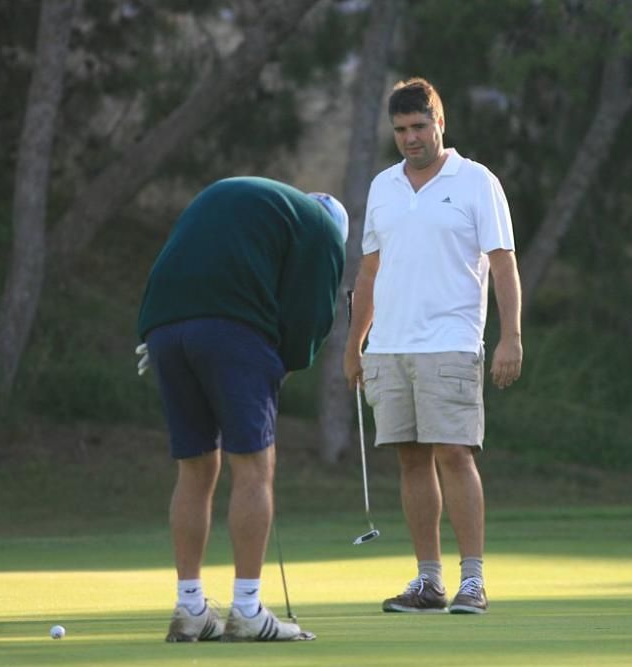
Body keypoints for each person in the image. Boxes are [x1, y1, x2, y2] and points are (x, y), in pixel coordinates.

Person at [135, 177, 348, 642]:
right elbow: (311, 320)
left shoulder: (259, 210)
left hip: (163, 325)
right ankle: (248, 610)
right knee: (254, 466)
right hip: (230, 327)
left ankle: (190, 608)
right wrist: (284, 365)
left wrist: (163, 333)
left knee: (195, 467)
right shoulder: (325, 229)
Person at [343, 77, 523, 615]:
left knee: (453, 453)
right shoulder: (383, 186)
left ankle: (473, 581)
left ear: (439, 123)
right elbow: (370, 272)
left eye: (419, 126)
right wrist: (355, 344)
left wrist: (510, 336)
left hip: (451, 340)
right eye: (400, 129)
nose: (410, 138)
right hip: (390, 346)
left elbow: (504, 263)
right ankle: (429, 581)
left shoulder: (476, 182)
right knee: (411, 460)